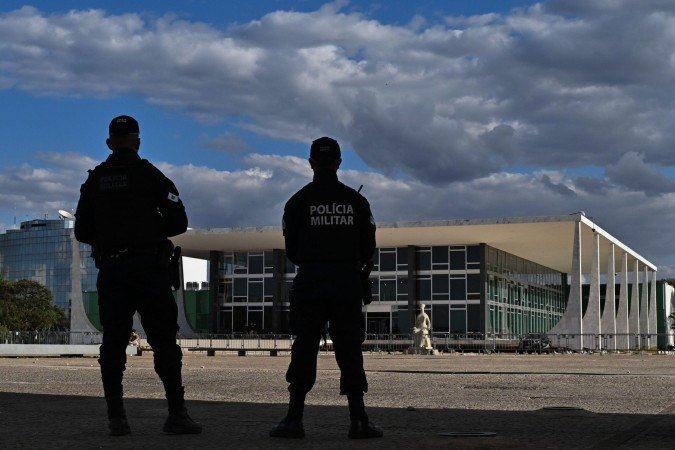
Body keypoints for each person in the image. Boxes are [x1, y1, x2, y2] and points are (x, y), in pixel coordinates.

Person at [75, 115, 201, 436]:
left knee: (113, 343)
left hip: (112, 270)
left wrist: (111, 236)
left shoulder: (95, 180)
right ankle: (177, 414)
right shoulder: (152, 176)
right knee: (163, 341)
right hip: (148, 269)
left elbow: (82, 231)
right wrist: (148, 229)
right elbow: (179, 222)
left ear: (109, 143)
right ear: (138, 142)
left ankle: (116, 418)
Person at [270, 137, 382, 440]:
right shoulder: (356, 201)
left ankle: (294, 419)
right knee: (349, 349)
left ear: (311, 163)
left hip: (311, 281)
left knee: (304, 346)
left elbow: (292, 250)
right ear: (339, 163)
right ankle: (359, 420)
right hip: (346, 282)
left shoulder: (297, 202)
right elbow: (368, 247)